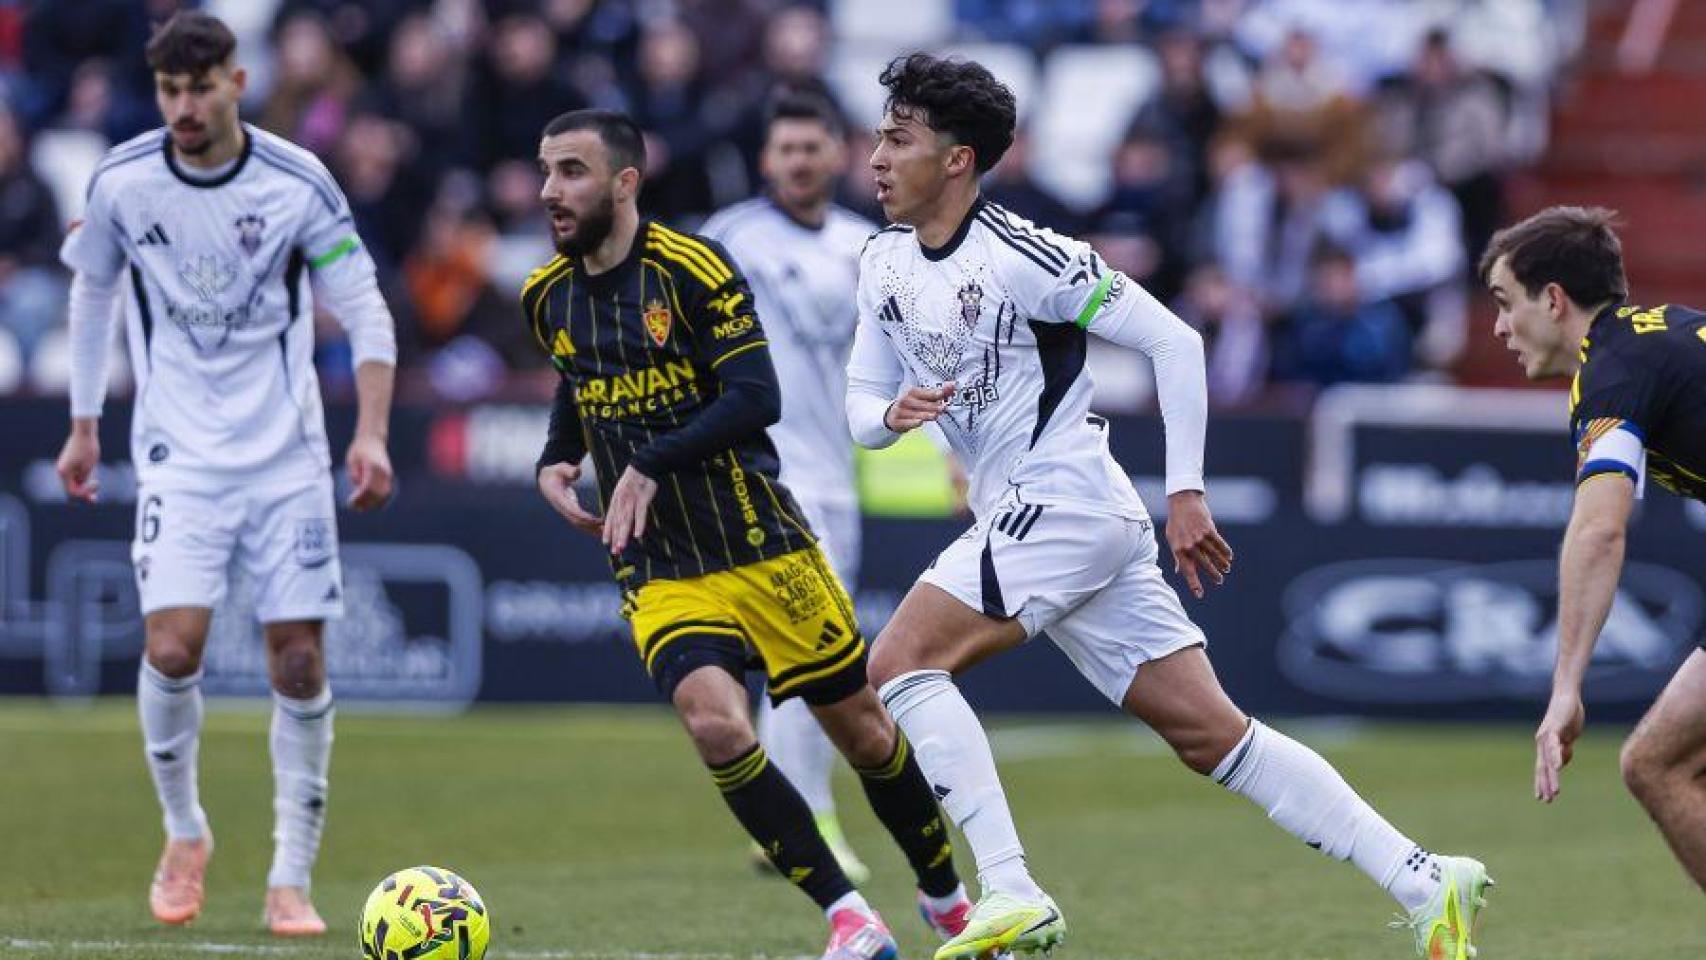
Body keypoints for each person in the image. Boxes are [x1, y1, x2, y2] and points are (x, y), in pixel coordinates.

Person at [848, 54, 1489, 960]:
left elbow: (1176, 340)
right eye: (880, 136)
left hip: (1061, 499)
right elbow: (861, 403)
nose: (877, 156)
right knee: (1211, 734)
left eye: (898, 139)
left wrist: (1187, 489)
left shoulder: (1026, 254)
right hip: (1056, 517)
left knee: (900, 662)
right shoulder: (880, 260)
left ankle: (1011, 888)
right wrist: (889, 416)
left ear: (957, 160)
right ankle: (1425, 877)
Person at [525, 108, 972, 960]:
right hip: (660, 564)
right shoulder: (545, 295)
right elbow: (578, 377)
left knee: (865, 730)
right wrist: (558, 454)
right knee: (718, 727)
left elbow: (755, 397)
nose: (551, 189)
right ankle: (847, 916)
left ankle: (946, 898)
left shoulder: (695, 265)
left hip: (761, 540)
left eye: (571, 171)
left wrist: (649, 461)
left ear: (625, 182)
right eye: (546, 170)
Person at [51, 11, 397, 937]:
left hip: (287, 456)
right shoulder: (123, 180)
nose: (184, 107)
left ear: (236, 84)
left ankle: (290, 876)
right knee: (172, 649)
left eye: (200, 89)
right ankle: (185, 831)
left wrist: (370, 434)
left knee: (298, 660)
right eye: (170, 90)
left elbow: (366, 307)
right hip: (180, 455)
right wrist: (83, 426)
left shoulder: (296, 181)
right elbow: (92, 292)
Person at [1483, 205, 1706, 892]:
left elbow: (1600, 528)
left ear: (1553, 300)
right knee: (1661, 762)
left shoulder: (1611, 373)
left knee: (1659, 763)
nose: (1498, 328)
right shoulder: (1661, 335)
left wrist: (1566, 688)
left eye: (1505, 302)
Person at [700, 89, 879, 885]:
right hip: (765, 473)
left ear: (838, 153)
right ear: (765, 160)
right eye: (786, 149)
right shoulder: (730, 239)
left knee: (808, 650)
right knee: (816, 647)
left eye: (812, 147)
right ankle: (808, 822)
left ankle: (787, 826)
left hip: (836, 474)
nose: (800, 162)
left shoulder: (865, 246)